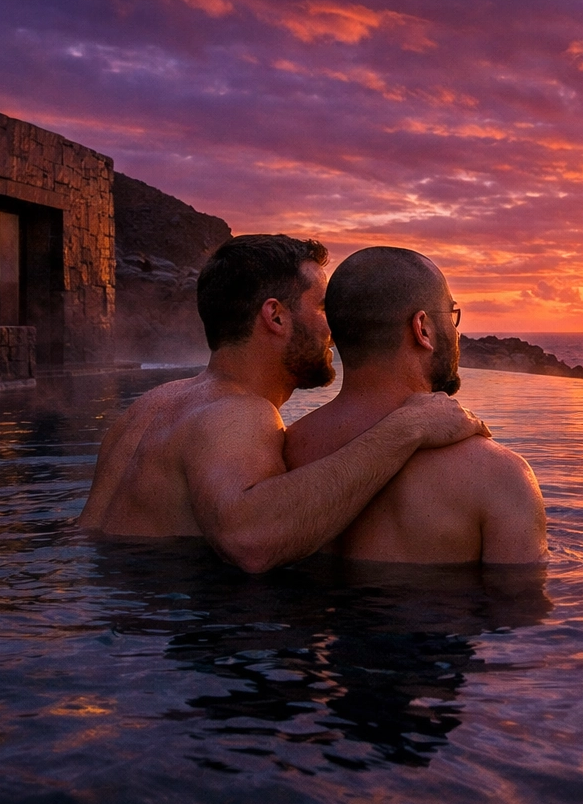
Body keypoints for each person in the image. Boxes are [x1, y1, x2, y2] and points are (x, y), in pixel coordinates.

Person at [78, 234, 490, 573]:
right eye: (322, 306)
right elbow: (251, 543)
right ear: (275, 317)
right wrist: (408, 427)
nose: (334, 326)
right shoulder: (237, 412)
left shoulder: (150, 406)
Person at [284, 246, 548, 564]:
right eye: (451, 315)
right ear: (422, 328)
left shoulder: (286, 452)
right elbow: (521, 607)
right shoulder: (498, 476)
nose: (457, 331)